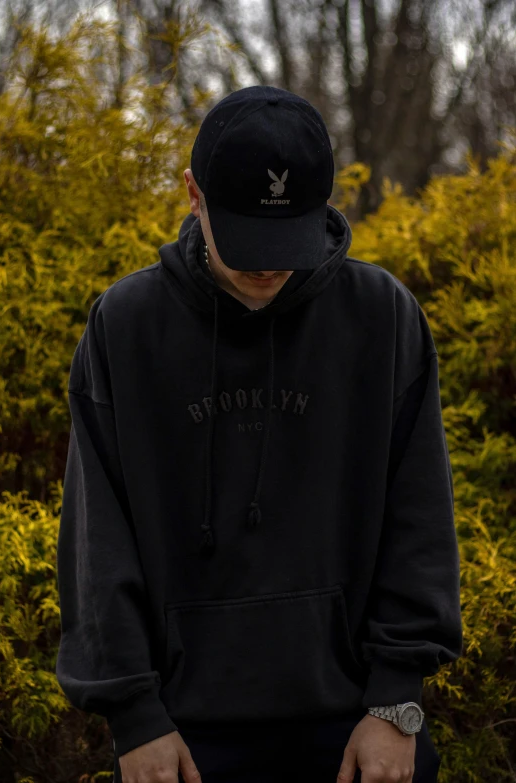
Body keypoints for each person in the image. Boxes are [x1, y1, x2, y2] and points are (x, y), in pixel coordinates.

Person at [55, 85, 463, 783]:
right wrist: (134, 718)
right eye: (246, 234)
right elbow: (98, 540)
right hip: (180, 738)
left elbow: (419, 515)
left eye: (289, 236)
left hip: (360, 727)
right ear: (193, 194)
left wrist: (397, 703)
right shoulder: (125, 326)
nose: (269, 263)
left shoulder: (382, 317)